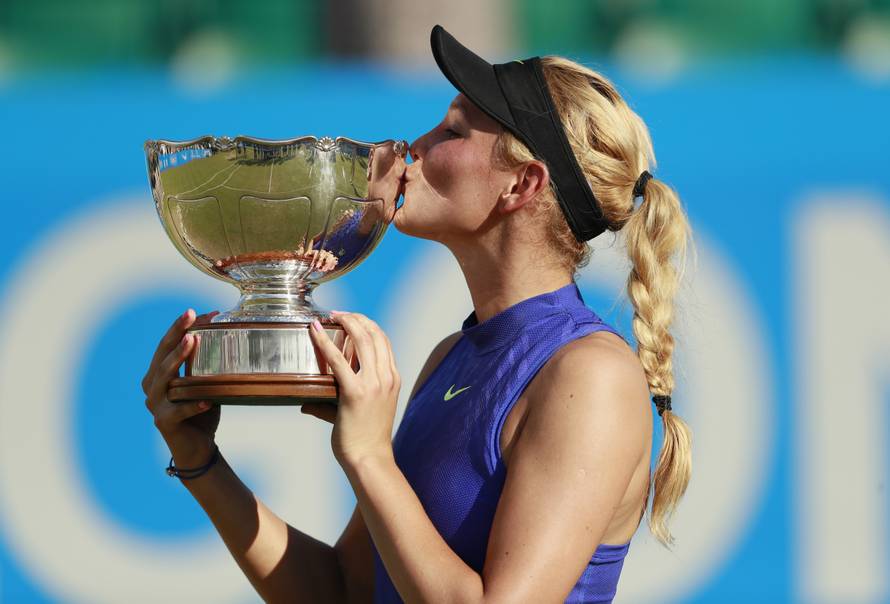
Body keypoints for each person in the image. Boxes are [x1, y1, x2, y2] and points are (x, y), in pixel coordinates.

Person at [142, 24, 693, 604]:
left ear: (521, 185)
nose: (415, 145)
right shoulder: (451, 358)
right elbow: (344, 592)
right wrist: (200, 460)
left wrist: (372, 456)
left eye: (452, 130)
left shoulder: (591, 375)